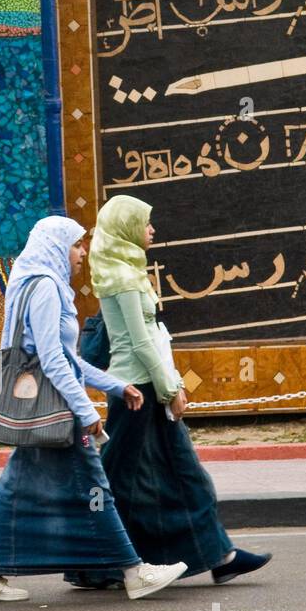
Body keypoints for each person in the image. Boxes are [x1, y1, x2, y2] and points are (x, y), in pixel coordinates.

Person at [0, 216, 188, 602]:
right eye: (75, 244)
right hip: (55, 412)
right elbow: (53, 360)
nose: (82, 252)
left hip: (38, 411)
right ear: (56, 247)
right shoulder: (47, 288)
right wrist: (85, 411)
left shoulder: (28, 283)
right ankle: (134, 571)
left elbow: (67, 360)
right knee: (95, 488)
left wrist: (115, 385)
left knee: (16, 490)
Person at [85, 194, 272, 586]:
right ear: (126, 229)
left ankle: (220, 556)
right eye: (145, 223)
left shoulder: (124, 273)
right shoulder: (124, 279)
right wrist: (172, 388)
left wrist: (169, 384)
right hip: (136, 393)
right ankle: (97, 565)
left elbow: (154, 336)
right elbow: (139, 343)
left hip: (147, 389)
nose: (152, 230)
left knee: (184, 476)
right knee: (117, 482)